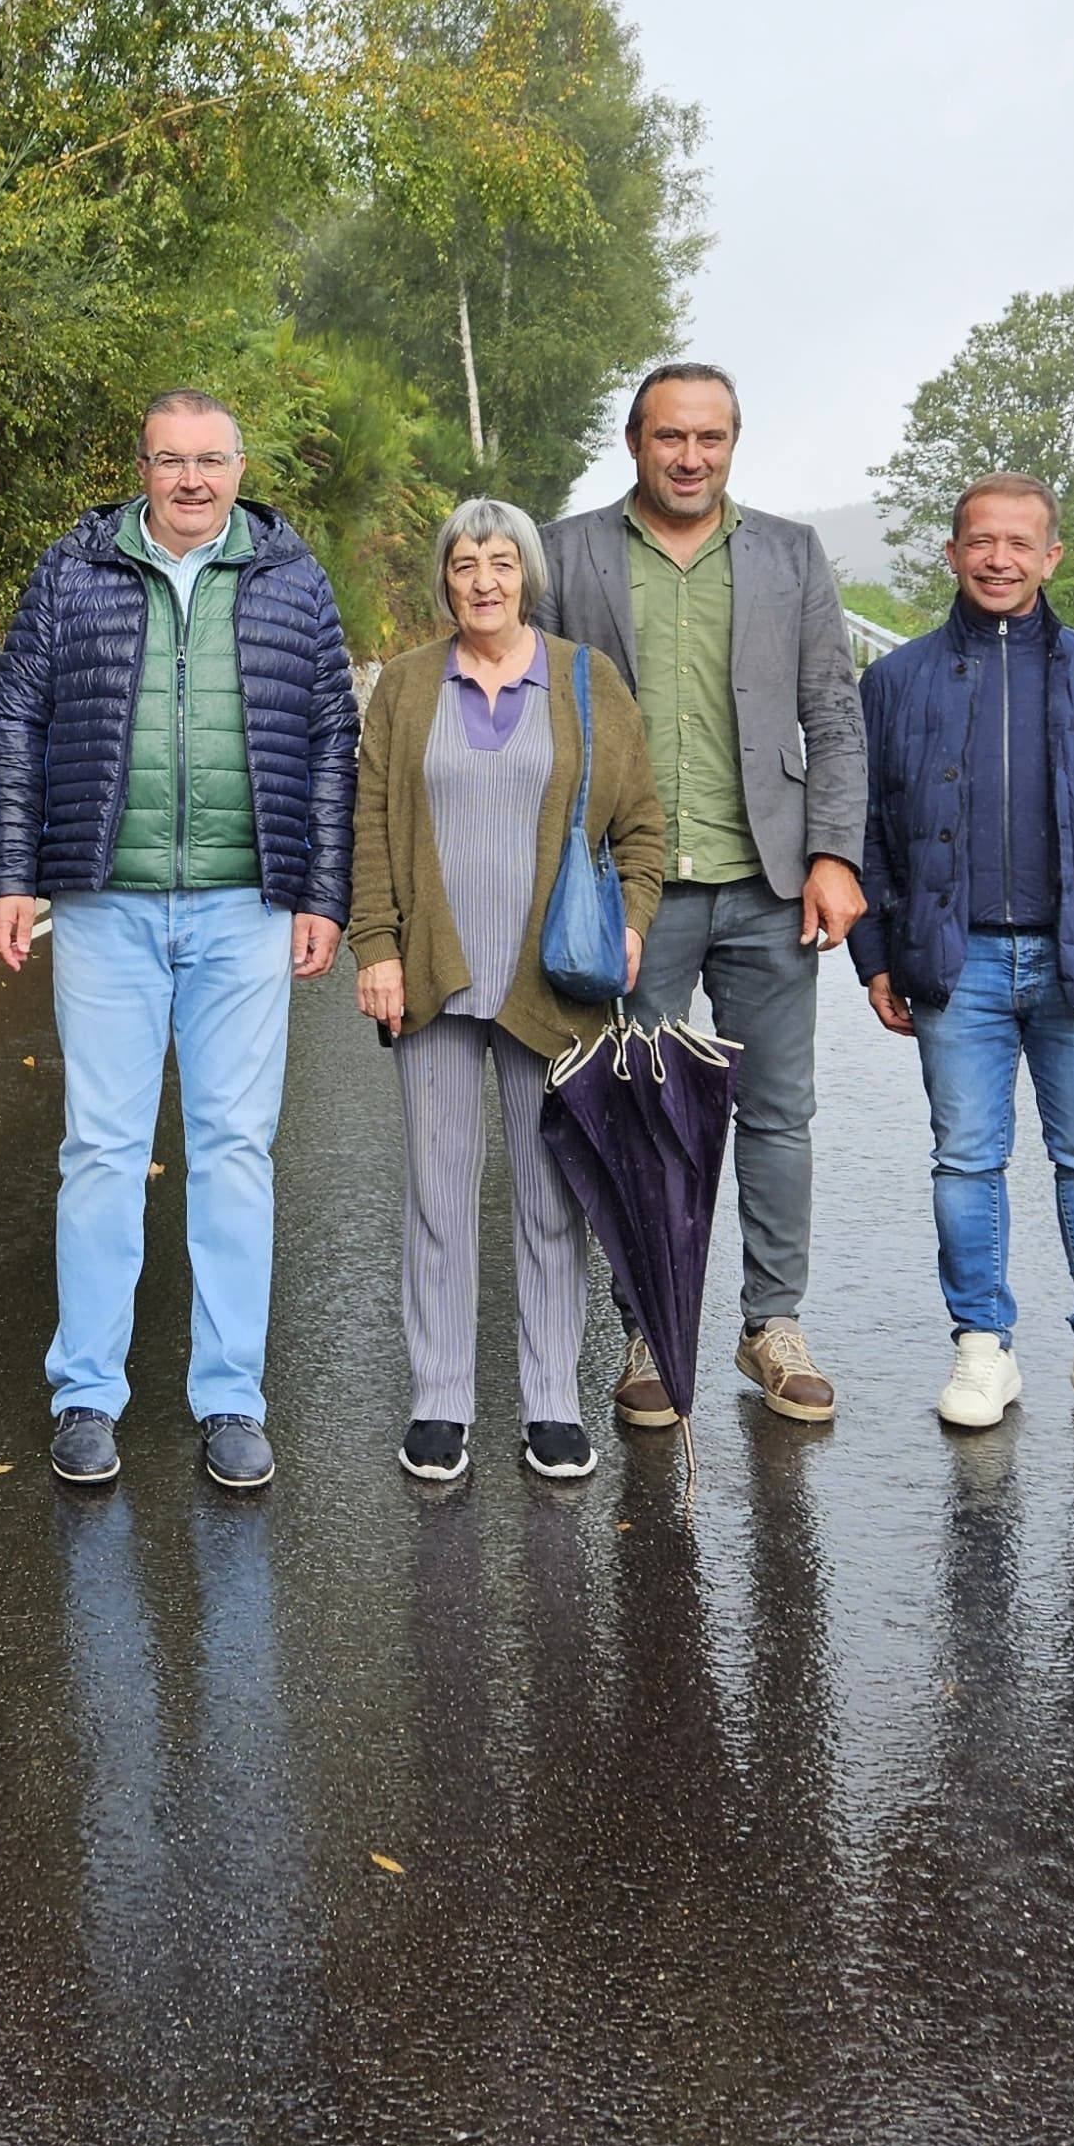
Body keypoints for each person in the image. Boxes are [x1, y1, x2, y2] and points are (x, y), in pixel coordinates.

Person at [0, 392, 361, 1492]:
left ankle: (230, 1396)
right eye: (168, 461)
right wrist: (10, 874)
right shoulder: (71, 571)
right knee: (99, 1150)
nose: (190, 480)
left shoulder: (293, 578)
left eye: (209, 461)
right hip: (104, 904)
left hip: (247, 904)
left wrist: (320, 893)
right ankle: (86, 1394)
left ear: (241, 466)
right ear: (138, 467)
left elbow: (332, 738)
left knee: (235, 1149)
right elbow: (15, 720)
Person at [531, 360, 869, 1430]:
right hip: (631, 893)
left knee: (777, 1114)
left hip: (768, 881)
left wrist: (835, 854)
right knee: (639, 1118)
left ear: (732, 445)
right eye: (670, 437)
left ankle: (772, 1323)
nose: (690, 457)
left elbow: (832, 706)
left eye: (710, 439)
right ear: (634, 442)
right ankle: (649, 1328)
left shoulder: (789, 553)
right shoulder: (569, 551)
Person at [849, 476, 1074, 1440]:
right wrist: (875, 950)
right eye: (979, 541)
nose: (998, 559)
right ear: (953, 555)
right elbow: (868, 833)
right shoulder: (898, 680)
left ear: (1051, 558)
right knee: (966, 1160)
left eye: (1019, 543)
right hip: (956, 963)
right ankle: (982, 1346)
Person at [351, 500, 667, 1483]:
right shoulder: (405, 687)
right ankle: (439, 1402)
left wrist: (630, 924)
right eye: (463, 564)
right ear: (443, 581)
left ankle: (551, 1403)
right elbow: (367, 827)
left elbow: (643, 828)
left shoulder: (584, 679)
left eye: (500, 562)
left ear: (526, 575)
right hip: (436, 979)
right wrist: (376, 949)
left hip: (554, 985)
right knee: (440, 1195)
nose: (483, 580)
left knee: (550, 1200)